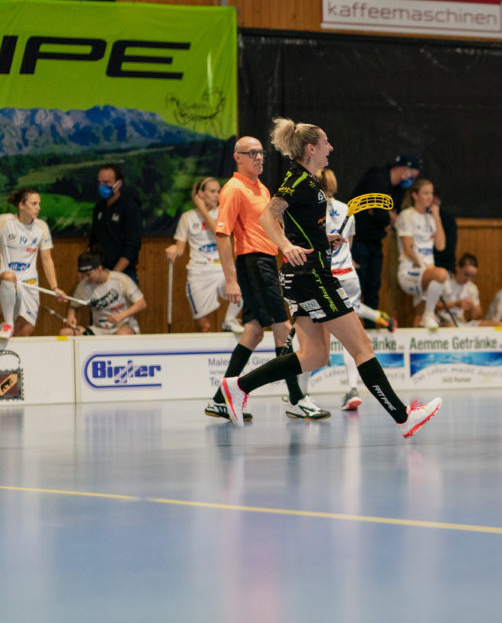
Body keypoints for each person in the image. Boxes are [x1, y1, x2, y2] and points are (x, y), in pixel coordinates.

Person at [218, 118, 441, 438]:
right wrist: (285, 246)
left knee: (315, 355)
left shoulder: (307, 180)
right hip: (312, 277)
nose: (331, 148)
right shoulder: (297, 180)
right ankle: (403, 415)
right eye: (326, 143)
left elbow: (299, 222)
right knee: (362, 345)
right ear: (311, 149)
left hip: (307, 275)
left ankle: (238, 387)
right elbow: (269, 214)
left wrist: (325, 239)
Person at [206, 135, 325, 423]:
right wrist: (231, 280)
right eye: (251, 153)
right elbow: (223, 235)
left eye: (261, 153)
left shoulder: (260, 187)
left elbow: (275, 226)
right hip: (254, 262)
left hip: (267, 261)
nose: (259, 157)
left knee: (254, 332)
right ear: (238, 157)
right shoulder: (233, 189)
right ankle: (296, 399)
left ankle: (221, 399)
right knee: (283, 327)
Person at [317, 168, 398, 410]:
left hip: (324, 278)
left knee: (315, 339)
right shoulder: (345, 209)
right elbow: (347, 248)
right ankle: (352, 389)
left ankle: (299, 396)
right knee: (349, 338)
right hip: (349, 276)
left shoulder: (309, 210)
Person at [165, 178, 243, 333]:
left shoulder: (223, 212)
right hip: (199, 272)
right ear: (200, 193)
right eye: (212, 191)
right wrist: (173, 248)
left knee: (243, 289)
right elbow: (180, 248)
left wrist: (203, 211)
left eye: (219, 191)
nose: (217, 195)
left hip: (221, 269)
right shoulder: (187, 217)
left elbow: (218, 232)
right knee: (203, 325)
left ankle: (229, 321)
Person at [351, 154, 421, 311]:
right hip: (359, 239)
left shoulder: (398, 189)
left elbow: (393, 217)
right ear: (405, 170)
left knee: (374, 286)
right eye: (413, 175)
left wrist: (386, 215)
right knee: (357, 285)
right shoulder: (377, 178)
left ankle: (370, 328)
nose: (412, 180)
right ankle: (352, 328)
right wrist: (386, 215)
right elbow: (379, 214)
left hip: (376, 241)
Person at [1, 189, 63, 341]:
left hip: (30, 283)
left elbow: (47, 260)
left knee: (26, 331)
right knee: (9, 276)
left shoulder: (41, 227)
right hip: (7, 279)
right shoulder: (4, 221)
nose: (38, 208)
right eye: (34, 204)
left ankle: (12, 362)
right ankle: (7, 323)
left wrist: (55, 287)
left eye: (39, 204)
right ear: (21, 205)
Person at [396, 178, 449, 328]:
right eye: (425, 193)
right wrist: (425, 268)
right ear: (415, 195)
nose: (429, 197)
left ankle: (415, 346)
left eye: (431, 193)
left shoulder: (430, 218)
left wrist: (437, 217)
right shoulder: (407, 215)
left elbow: (441, 246)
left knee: (419, 315)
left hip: (427, 272)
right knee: (441, 275)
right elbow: (409, 248)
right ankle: (429, 315)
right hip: (411, 272)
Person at [61, 251, 146, 335]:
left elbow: (141, 303)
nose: (85, 278)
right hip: (98, 329)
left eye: (88, 274)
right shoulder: (83, 286)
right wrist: (71, 316)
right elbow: (73, 306)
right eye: (82, 275)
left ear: (99, 268)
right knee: (65, 333)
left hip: (122, 326)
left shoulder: (120, 279)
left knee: (122, 334)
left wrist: (121, 315)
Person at [88, 163, 143, 284]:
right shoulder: (99, 207)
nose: (102, 186)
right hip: (100, 273)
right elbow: (93, 241)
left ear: (118, 184)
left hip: (124, 274)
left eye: (107, 183)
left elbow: (132, 247)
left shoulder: (130, 208)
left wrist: (113, 275)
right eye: (100, 182)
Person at [438, 253, 484, 326]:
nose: (469, 279)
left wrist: (473, 307)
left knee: (501, 325)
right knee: (451, 327)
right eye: (466, 274)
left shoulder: (472, 287)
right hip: (442, 321)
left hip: (461, 322)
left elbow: (476, 317)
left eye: (472, 276)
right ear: (458, 267)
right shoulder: (445, 282)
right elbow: (433, 307)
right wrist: (455, 304)